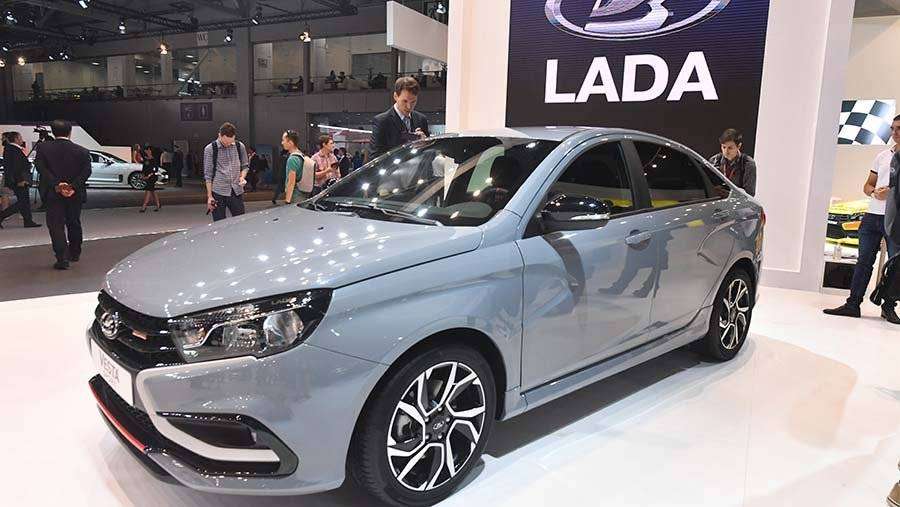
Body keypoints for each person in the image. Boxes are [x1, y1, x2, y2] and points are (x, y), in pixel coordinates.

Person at [825, 115, 900, 323]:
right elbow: (867, 185)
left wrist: (892, 193)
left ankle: (888, 307)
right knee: (863, 262)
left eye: (899, 128)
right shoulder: (882, 156)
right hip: (872, 217)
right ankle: (852, 304)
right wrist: (874, 192)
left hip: (895, 218)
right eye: (893, 128)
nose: (894, 133)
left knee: (895, 265)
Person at [33, 120, 92, 270]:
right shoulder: (82, 151)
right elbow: (86, 172)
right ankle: (75, 253)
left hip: (53, 193)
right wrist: (72, 186)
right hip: (75, 193)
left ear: (53, 132)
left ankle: (62, 258)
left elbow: (41, 168)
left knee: (56, 225)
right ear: (70, 132)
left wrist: (57, 185)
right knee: (74, 222)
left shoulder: (43, 148)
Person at [370, 77, 430, 158]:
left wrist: (426, 143)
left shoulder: (421, 119)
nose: (409, 107)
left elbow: (429, 154)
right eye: (405, 101)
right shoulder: (382, 121)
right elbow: (376, 157)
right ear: (395, 96)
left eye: (413, 102)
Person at [204, 122, 249, 222]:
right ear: (219, 135)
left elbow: (245, 166)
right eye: (225, 143)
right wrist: (210, 196)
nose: (228, 145)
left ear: (234, 137)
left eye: (230, 142)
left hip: (236, 191)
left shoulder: (239, 146)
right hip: (218, 192)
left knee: (240, 221)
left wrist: (242, 177)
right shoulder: (210, 149)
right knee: (219, 223)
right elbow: (208, 175)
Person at [0, 131, 42, 229]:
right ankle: (2, 216)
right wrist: (20, 180)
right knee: (22, 202)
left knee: (25, 201)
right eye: (20, 137)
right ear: (16, 139)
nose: (22, 140)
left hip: (19, 179)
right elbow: (15, 167)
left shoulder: (12, 149)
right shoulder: (13, 149)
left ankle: (28, 221)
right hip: (19, 180)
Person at [709, 128, 757, 196]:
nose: (726, 152)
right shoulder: (714, 160)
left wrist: (725, 192)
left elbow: (749, 194)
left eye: (730, 148)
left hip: (737, 201)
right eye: (724, 147)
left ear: (739, 146)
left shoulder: (748, 164)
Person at [282, 130, 314, 205]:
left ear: (290, 142)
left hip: (295, 196)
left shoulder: (292, 159)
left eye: (283, 140)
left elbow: (291, 182)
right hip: (304, 194)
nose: (282, 143)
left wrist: (287, 201)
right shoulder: (302, 155)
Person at [139, 146, 161, 213]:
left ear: (152, 151)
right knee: (152, 191)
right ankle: (158, 204)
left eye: (149, 150)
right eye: (147, 150)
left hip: (152, 177)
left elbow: (155, 169)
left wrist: (149, 175)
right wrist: (143, 175)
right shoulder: (145, 159)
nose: (148, 151)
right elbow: (144, 168)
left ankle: (144, 206)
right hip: (146, 177)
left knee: (148, 190)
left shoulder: (154, 159)